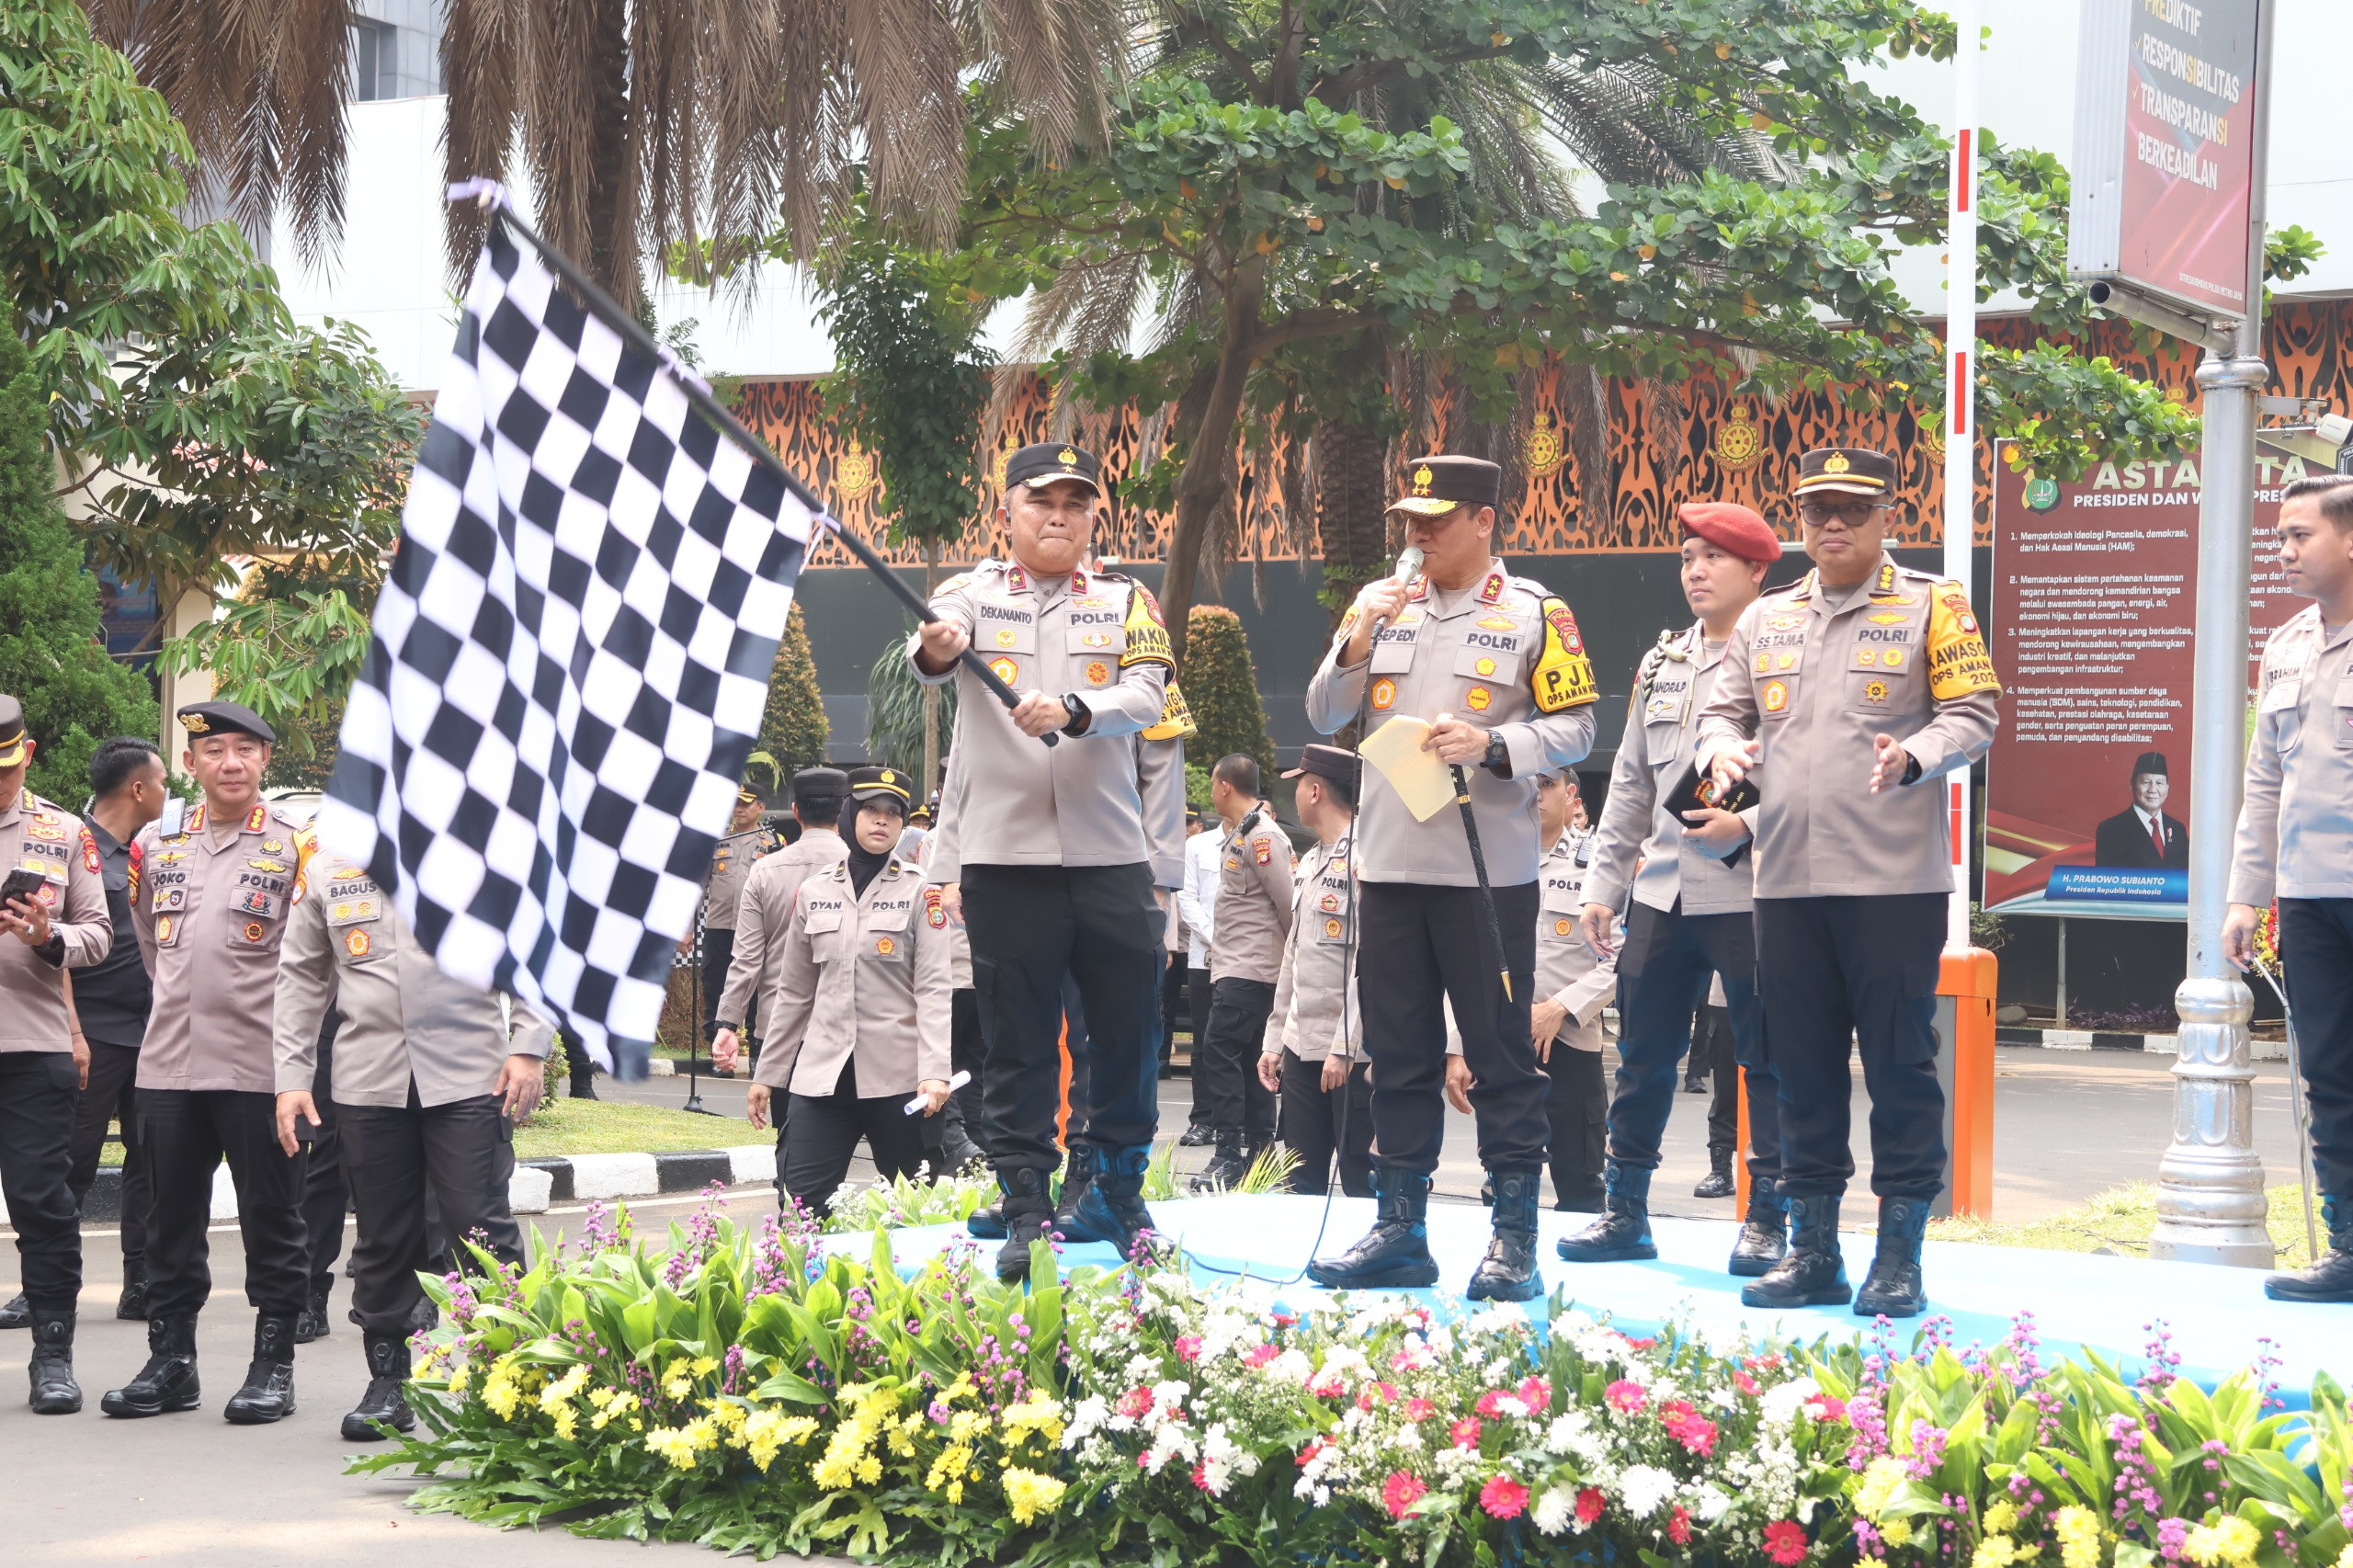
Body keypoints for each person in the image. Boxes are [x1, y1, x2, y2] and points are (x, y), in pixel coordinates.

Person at [1697, 449, 2002, 1317]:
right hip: (1785, 883)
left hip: (1891, 885)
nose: (1832, 524)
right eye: (1816, 510)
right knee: (1801, 1071)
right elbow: (1723, 711)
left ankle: (1899, 1255)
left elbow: (1974, 713)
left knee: (1901, 1067)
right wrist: (1718, 753)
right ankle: (1815, 1250)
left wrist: (1916, 756)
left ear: (1886, 515)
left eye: (1852, 510)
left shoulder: (1932, 603)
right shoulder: (1767, 618)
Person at [1302, 454, 1598, 1300]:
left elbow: (1578, 728)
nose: (1417, 535)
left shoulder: (1535, 613)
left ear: (1484, 521)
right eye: (1410, 521)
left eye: (1435, 521)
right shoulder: (1383, 606)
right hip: (1388, 869)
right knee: (1397, 1054)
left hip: (1484, 875)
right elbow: (1323, 711)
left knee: (1501, 1057)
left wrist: (1495, 744)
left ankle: (1513, 1236)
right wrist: (1357, 637)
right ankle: (1401, 1228)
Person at [907, 441, 1175, 1278]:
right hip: (1006, 860)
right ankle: (1025, 1204)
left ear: (1093, 516)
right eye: (1041, 502)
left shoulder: (1128, 599)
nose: (1058, 517)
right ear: (1009, 513)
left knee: (1129, 1035)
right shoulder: (972, 595)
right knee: (1018, 1041)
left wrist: (1075, 709)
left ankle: (1117, 1191)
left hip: (1110, 855)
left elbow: (1150, 694)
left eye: (1075, 503)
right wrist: (943, 643)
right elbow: (933, 651)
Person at [1564, 501, 1788, 1274]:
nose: (1695, 570)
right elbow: (1631, 781)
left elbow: (1815, 772)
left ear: (1757, 570)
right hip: (1662, 891)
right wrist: (1602, 884)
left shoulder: (1786, 654)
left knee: (1767, 1061)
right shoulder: (1662, 663)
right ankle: (1624, 1211)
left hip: (1752, 889)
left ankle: (1769, 1220)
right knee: (1642, 1059)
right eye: (1688, 557)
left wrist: (1747, 824)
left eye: (1713, 557)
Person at [272, 860, 551, 1440]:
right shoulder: (327, 866)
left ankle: (515, 1383)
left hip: (471, 1077)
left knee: (480, 1230)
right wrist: (293, 1077)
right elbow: (300, 976)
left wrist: (528, 1045)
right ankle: (389, 1383)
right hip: (369, 1079)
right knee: (383, 1237)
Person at [105, 700, 323, 1422]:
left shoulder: (298, 846)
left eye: (246, 750)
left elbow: (315, 962)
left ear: (266, 760)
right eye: (215, 751)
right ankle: (172, 1363)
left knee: (273, 1218)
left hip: (262, 1069)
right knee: (167, 1220)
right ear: (190, 763)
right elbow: (149, 944)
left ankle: (273, 1367)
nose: (231, 763)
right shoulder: (156, 844)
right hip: (169, 1065)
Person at [2223, 472, 2353, 1301]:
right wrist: (2248, 895)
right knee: (2330, 1076)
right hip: (2310, 898)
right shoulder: (2287, 646)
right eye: (2280, 536)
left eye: (2300, 535)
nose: (2283, 551)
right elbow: (2264, 781)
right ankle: (2349, 1250)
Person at [5, 736, 165, 1337]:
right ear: (137, 788)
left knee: (150, 1160)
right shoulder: (69, 840)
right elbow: (57, 956)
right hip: (90, 1029)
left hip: (150, 1030)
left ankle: (141, 1279)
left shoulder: (149, 852)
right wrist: (73, 1030)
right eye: (162, 781)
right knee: (66, 1163)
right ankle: (40, 1288)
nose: (168, 792)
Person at [743, 767, 952, 1219]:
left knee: (913, 1212)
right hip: (822, 1080)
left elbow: (935, 989)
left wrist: (936, 1071)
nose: (882, 820)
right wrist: (768, 1074)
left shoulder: (922, 893)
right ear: (849, 814)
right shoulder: (814, 891)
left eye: (893, 813)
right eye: (871, 809)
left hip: (899, 1082)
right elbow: (793, 994)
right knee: (801, 1208)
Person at [0, 695, 115, 1413]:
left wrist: (47, 937)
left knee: (43, 1205)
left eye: (5, 770)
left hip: (30, 1047)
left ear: (28, 755)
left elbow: (99, 934)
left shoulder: (62, 832)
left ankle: (52, 1355)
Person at [1255, 744, 1373, 1198]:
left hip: (1351, 1053)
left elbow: (1371, 963)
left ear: (1316, 791)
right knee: (1300, 1181)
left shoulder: (1366, 858)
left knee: (1362, 1182)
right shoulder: (1309, 860)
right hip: (1302, 1048)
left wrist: (1344, 1046)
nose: (1296, 795)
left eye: (1299, 784)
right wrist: (1275, 1041)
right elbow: (1294, 955)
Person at [1192, 754, 1294, 1190]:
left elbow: (1289, 904)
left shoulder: (1263, 836)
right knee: (1252, 1058)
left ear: (1225, 786)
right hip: (1239, 965)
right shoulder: (1242, 832)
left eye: (1213, 784)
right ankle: (1260, 1152)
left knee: (1218, 1049)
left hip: (1253, 968)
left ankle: (1229, 1152)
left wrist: (1290, 964)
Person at [710, 767, 852, 1075]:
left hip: (779, 1022)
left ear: (795, 810)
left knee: (783, 1108)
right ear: (843, 812)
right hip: (847, 1025)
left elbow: (747, 959)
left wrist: (727, 1023)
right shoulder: (861, 867)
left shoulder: (765, 870)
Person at [1528, 770, 1615, 1213]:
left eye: (1546, 784)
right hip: (1507, 1043)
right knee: (1505, 1184)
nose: (1535, 793)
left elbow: (1623, 957)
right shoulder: (1494, 859)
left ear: (1571, 794)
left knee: (1581, 1188)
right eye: (1527, 783)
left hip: (1571, 1043)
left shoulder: (1598, 863)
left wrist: (1559, 1007)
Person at [698, 786, 783, 1074]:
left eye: (746, 804)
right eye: (736, 804)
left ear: (760, 807)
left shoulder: (774, 842)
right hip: (720, 926)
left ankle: (758, 1051)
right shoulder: (718, 840)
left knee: (759, 990)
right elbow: (699, 886)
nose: (739, 809)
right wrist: (686, 929)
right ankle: (719, 1053)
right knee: (715, 986)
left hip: (759, 929)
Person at [1176, 799, 1222, 1146]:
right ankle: (1203, 1118)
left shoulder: (1259, 844)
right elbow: (1186, 899)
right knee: (1203, 1041)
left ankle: (1236, 1122)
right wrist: (1215, 936)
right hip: (1203, 956)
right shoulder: (1198, 845)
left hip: (1246, 958)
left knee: (1241, 1043)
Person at [2093, 753, 2188, 869]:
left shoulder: (2178, 830)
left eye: (2159, 783)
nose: (2152, 790)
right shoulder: (2111, 829)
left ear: (2167, 789)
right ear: (2132, 786)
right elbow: (2109, 878)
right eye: (2146, 782)